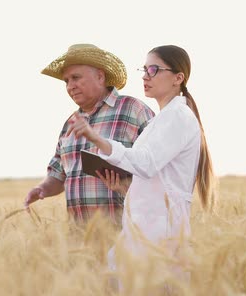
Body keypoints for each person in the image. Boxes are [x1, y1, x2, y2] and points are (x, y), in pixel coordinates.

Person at [66, 45, 216, 284]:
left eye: (154, 69)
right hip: (143, 232)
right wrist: (125, 187)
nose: (145, 76)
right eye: (144, 69)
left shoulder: (178, 116)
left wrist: (96, 138)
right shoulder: (163, 119)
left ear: (178, 78)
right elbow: (156, 178)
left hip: (159, 238)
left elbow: (146, 163)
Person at [23, 44, 155, 225]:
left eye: (76, 77)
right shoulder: (70, 124)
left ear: (100, 76)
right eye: (66, 81)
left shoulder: (133, 109)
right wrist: (41, 188)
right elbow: (57, 174)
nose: (70, 86)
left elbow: (159, 168)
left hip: (127, 237)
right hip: (79, 239)